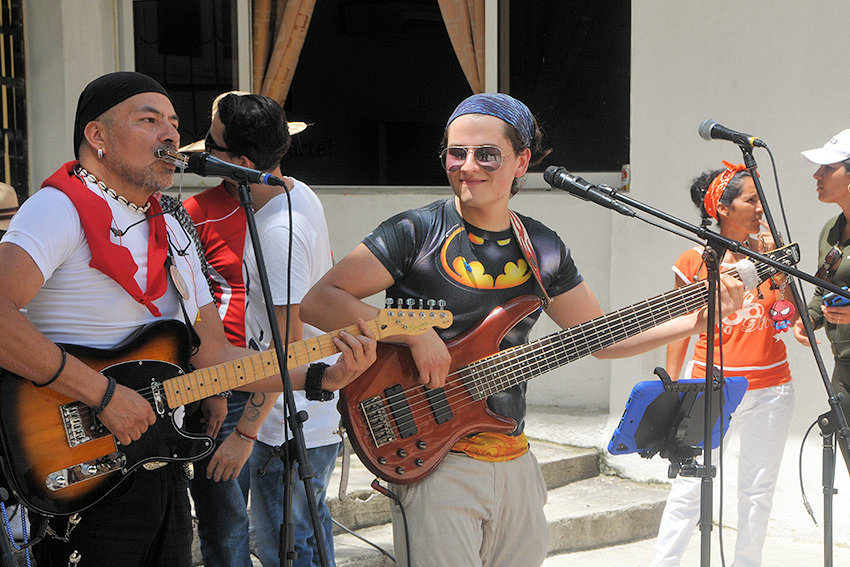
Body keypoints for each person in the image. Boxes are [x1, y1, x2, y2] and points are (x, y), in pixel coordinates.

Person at [299, 92, 745, 567]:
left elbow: (600, 338)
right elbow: (320, 300)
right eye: (456, 153)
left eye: (487, 154)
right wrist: (411, 331)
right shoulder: (415, 231)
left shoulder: (544, 248)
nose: (468, 166)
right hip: (433, 457)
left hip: (512, 454)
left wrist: (696, 321)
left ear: (521, 161)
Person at [0, 71, 376, 567]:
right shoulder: (57, 209)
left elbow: (215, 354)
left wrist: (321, 375)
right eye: (149, 120)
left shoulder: (172, 225)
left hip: (159, 462)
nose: (172, 135)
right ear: (98, 137)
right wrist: (104, 396)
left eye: (174, 122)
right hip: (78, 466)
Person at [183, 91, 341, 567]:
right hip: (284, 413)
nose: (203, 155)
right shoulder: (295, 188)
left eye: (212, 146)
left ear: (245, 161)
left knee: (290, 551)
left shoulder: (277, 235)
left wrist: (245, 434)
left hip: (283, 423)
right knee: (302, 540)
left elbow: (287, 350)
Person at [650, 163, 795, 567]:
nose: (761, 208)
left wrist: (779, 269)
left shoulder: (771, 256)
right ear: (724, 209)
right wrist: (674, 386)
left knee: (757, 490)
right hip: (709, 386)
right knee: (689, 488)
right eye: (752, 200)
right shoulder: (695, 260)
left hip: (771, 389)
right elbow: (677, 327)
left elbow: (791, 317)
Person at [795, 129, 850, 440]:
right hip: (843, 369)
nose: (817, 175)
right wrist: (809, 318)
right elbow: (823, 289)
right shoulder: (832, 229)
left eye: (828, 168)